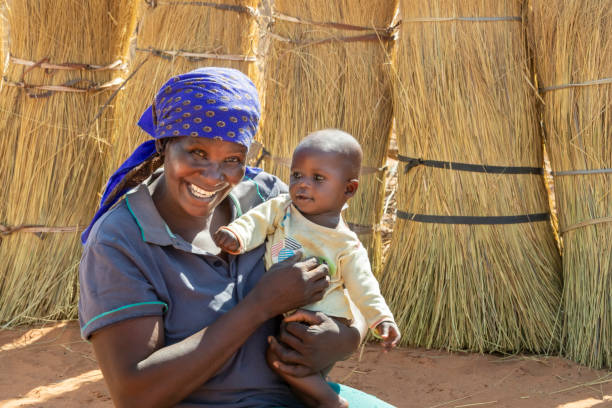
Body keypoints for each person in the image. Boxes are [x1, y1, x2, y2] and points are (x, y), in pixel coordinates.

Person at [78, 67, 395, 407]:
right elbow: (135, 395)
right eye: (197, 153)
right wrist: (259, 306)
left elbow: (347, 269)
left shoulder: (269, 200)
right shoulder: (121, 241)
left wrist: (346, 335)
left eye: (232, 159)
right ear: (165, 145)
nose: (214, 176)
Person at [214, 129, 400, 407]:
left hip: (324, 322)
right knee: (293, 375)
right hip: (288, 315)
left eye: (318, 179)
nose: (303, 184)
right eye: (297, 175)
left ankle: (330, 401)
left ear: (348, 189)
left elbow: (364, 286)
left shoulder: (345, 244)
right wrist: (236, 236)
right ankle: (317, 399)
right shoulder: (283, 208)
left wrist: (381, 320)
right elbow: (256, 221)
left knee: (281, 359)